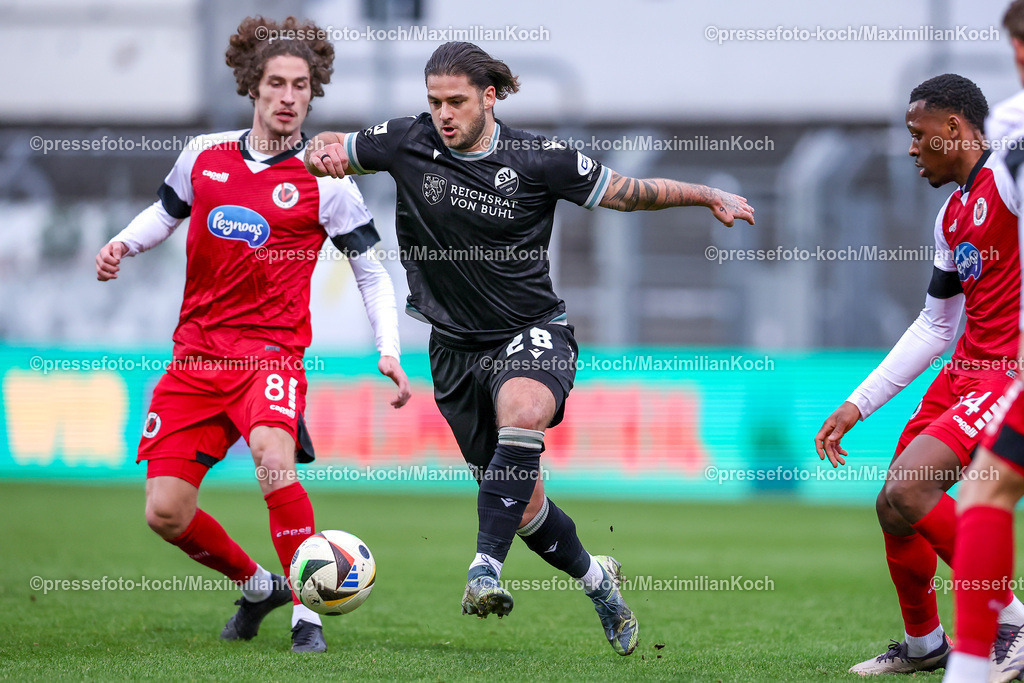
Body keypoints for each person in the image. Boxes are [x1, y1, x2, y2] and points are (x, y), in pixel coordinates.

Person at [303, 41, 754, 656]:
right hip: (454, 349)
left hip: (531, 330)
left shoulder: (540, 159)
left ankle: (483, 569)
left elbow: (627, 190)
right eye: (434, 101)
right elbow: (336, 145)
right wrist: (319, 150)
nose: (443, 114)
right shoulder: (405, 140)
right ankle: (598, 582)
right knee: (522, 505)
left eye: (456, 101)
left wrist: (704, 194)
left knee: (522, 415)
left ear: (490, 97)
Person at [95, 16, 409, 653]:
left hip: (270, 356)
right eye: (277, 84)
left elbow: (371, 271)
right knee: (165, 513)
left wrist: (389, 349)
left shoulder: (329, 181)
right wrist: (125, 243)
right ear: (253, 88)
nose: (290, 97)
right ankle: (259, 584)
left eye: (301, 86)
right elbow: (166, 213)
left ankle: (305, 611)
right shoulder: (203, 156)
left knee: (272, 456)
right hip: (195, 359)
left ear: (312, 93)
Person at [814, 73, 1024, 675]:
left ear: (954, 129)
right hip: (961, 371)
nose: (910, 148)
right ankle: (927, 645)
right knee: (891, 505)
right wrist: (858, 404)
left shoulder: (1007, 187)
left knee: (910, 488)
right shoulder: (951, 216)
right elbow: (936, 325)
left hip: (1002, 375)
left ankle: (1010, 617)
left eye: (918, 134)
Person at [943, 4, 1024, 681]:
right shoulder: (1006, 129)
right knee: (974, 491)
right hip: (983, 365)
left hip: (1004, 364)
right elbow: (936, 318)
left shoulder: (1008, 132)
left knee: (981, 492)